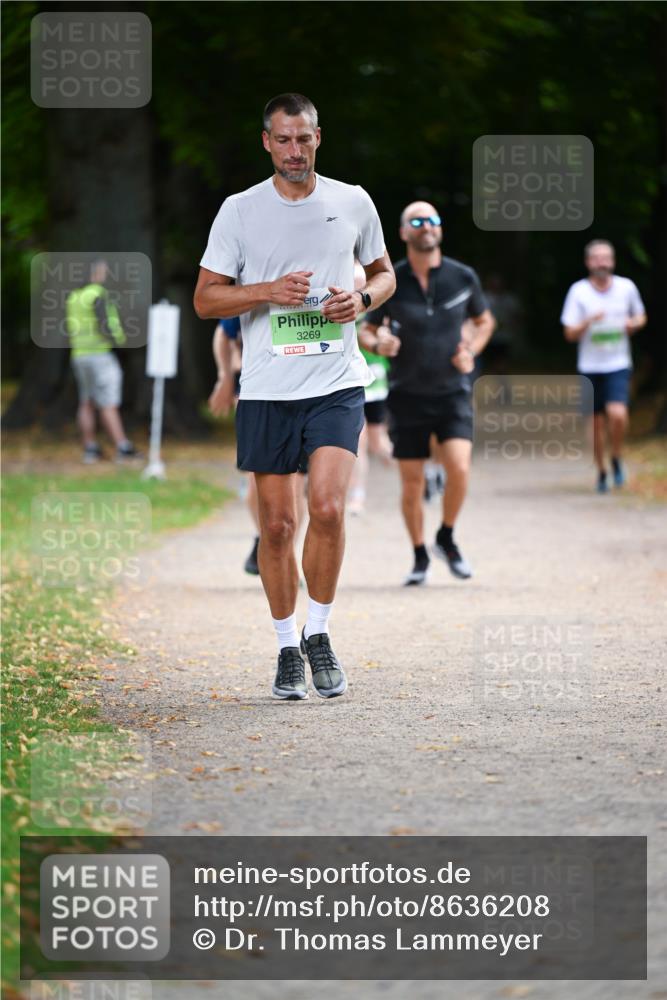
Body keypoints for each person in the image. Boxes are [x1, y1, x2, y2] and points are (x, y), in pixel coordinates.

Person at [194, 93, 395, 700]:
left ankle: (321, 633)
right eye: (282, 139)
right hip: (266, 389)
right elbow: (207, 300)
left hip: (336, 381)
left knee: (329, 509)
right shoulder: (239, 211)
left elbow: (384, 274)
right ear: (266, 142)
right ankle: (286, 646)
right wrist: (267, 291)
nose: (294, 150)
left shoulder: (352, 200)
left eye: (303, 139)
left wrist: (360, 302)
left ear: (317, 138)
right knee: (277, 527)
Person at [360, 201, 495, 586]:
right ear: (403, 233)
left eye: (433, 220)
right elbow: (368, 330)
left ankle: (446, 535)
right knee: (413, 483)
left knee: (459, 468)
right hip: (406, 395)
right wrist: (378, 342)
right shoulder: (391, 280)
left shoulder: (462, 277)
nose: (426, 226)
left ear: (440, 229)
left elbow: (484, 321)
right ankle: (419, 555)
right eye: (416, 221)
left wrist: (471, 349)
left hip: (452, 390)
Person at [208, 316, 306, 575]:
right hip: (258, 392)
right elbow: (224, 332)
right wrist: (225, 376)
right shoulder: (253, 281)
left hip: (307, 392)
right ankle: (267, 539)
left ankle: (285, 555)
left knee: (296, 483)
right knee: (255, 487)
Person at [561, 239, 647, 493]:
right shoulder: (578, 291)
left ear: (613, 261)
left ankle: (617, 456)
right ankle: (601, 470)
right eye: (597, 258)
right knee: (596, 424)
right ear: (588, 262)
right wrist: (587, 322)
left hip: (618, 363)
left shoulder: (626, 287)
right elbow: (569, 333)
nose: (602, 263)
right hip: (589, 366)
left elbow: (641, 315)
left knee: (618, 413)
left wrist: (634, 324)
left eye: (606, 258)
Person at [65, 259, 139, 464]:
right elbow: (104, 323)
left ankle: (90, 448)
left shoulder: (74, 297)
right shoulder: (97, 293)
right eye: (103, 271)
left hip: (79, 355)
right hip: (101, 354)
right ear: (95, 273)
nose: (105, 275)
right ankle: (122, 446)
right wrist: (118, 343)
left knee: (86, 402)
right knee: (109, 402)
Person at [348, 263, 393, 516]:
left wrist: (383, 338)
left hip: (374, 380)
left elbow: (384, 328)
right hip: (348, 380)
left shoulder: (375, 304)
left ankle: (415, 465)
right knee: (359, 442)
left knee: (378, 443)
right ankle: (357, 496)